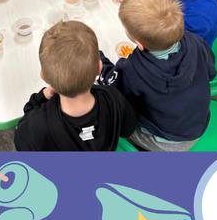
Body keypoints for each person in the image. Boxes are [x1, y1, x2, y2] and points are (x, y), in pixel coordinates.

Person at [99, 0, 216, 151]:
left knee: (111, 116)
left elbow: (114, 91)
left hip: (164, 141)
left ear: (139, 44)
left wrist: (101, 64)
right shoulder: (195, 40)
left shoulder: (133, 68)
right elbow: (211, 72)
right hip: (198, 123)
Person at [14, 21, 138, 151]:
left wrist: (39, 98)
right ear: (99, 68)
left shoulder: (36, 125)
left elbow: (20, 141)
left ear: (44, 77)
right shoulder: (113, 97)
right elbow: (127, 129)